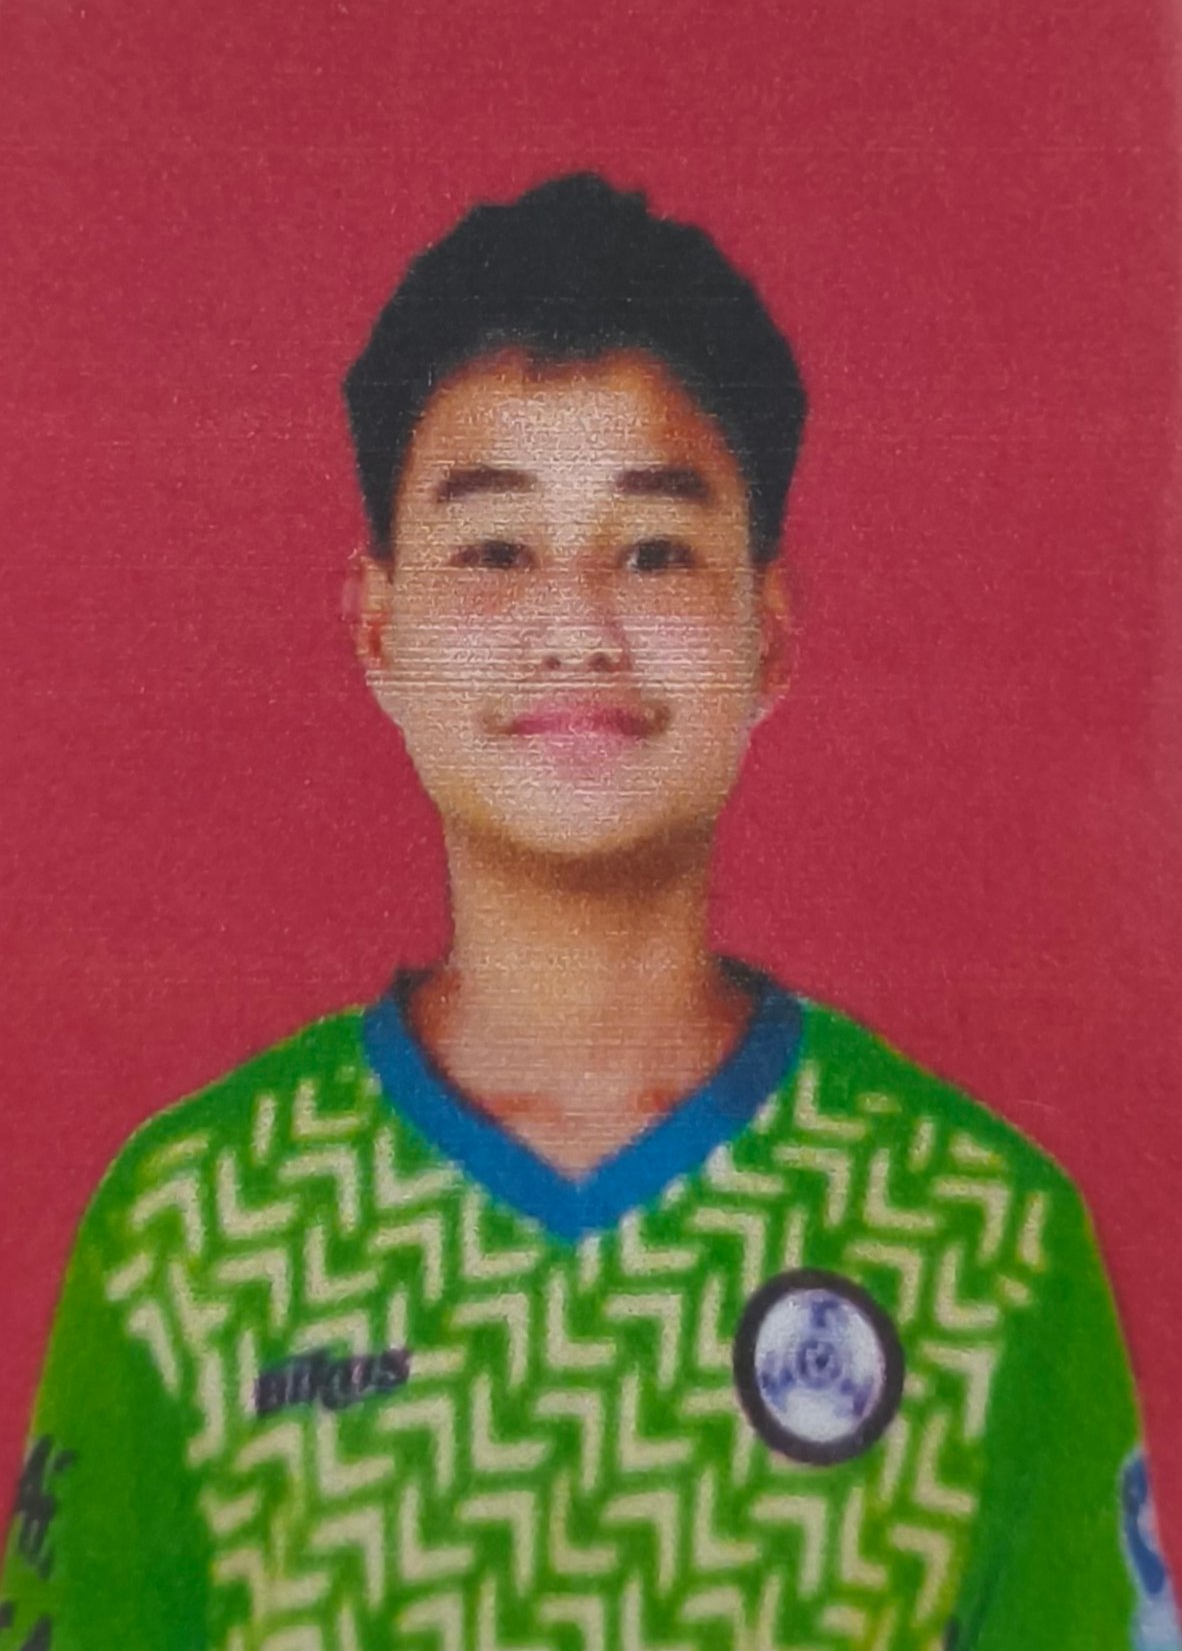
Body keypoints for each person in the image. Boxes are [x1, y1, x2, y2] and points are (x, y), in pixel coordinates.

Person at [1, 173, 1175, 1651]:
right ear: (380, 627)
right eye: (496, 552)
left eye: (655, 551)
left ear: (768, 633)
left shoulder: (983, 1238)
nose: (575, 627)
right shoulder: (190, 1231)